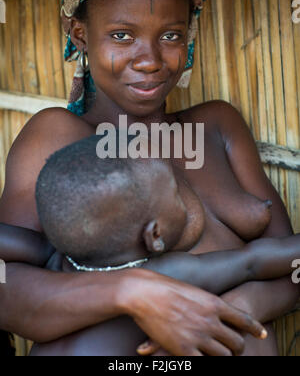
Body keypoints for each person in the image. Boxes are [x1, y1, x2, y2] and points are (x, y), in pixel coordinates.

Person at [0, 0, 298, 356]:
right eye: (122, 35)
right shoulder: (59, 136)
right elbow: (5, 287)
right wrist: (135, 294)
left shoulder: (216, 126)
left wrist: (230, 311)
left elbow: (291, 269)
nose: (150, 60)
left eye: (171, 35)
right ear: (80, 35)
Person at [0, 135, 299, 356]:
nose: (183, 200)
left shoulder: (51, 257)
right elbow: (252, 262)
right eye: (177, 195)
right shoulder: (169, 273)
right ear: (155, 235)